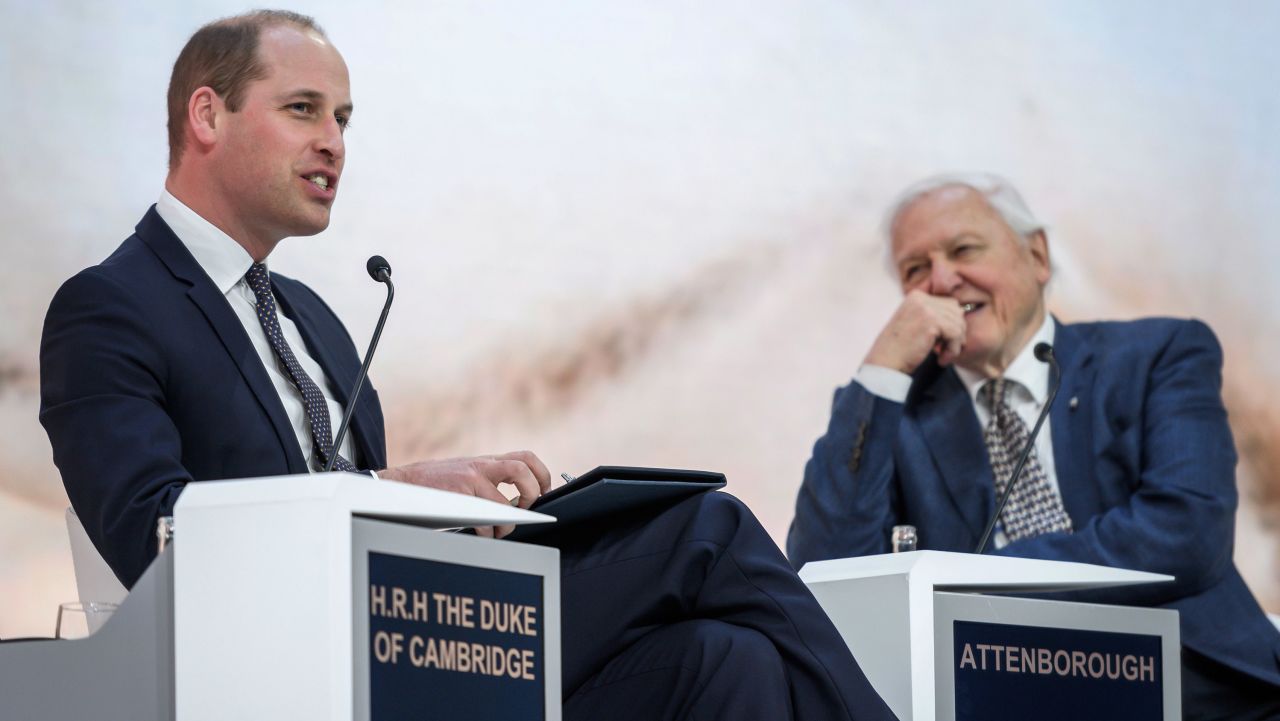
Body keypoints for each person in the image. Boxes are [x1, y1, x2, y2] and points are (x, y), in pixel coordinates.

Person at [38, 11, 895, 721]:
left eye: (344, 119)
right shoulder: (109, 307)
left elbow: (365, 500)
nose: (334, 141)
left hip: (426, 620)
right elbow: (156, 533)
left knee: (724, 658)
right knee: (707, 526)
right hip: (302, 658)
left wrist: (465, 512)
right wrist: (400, 485)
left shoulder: (318, 321)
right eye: (303, 109)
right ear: (206, 116)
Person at [788, 172, 1280, 720]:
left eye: (963, 249)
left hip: (1192, 683)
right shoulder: (889, 410)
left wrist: (972, 584)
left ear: (1037, 256)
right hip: (990, 695)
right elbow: (823, 578)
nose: (941, 280)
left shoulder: (1156, 355)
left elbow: (1185, 533)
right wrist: (882, 370)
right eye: (915, 270)